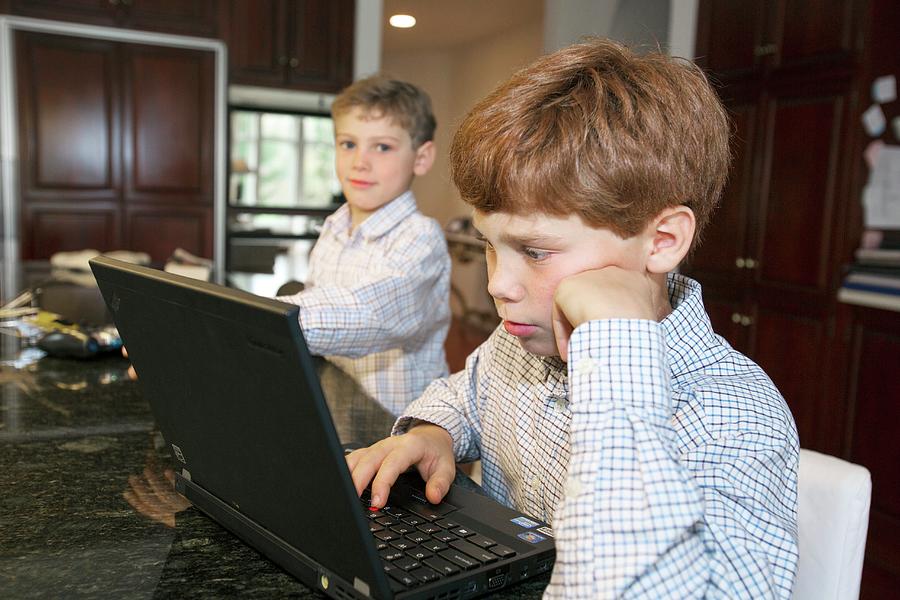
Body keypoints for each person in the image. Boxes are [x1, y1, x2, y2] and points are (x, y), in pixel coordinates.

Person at [346, 39, 799, 598]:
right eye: (489, 245)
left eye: (535, 252)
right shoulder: (524, 340)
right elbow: (466, 392)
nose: (497, 285)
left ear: (661, 241)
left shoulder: (735, 418)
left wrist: (618, 346)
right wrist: (433, 432)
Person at [277, 76, 451, 416]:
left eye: (382, 147)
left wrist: (263, 322)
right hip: (339, 405)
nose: (360, 161)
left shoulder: (421, 239)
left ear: (422, 157)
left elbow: (369, 314)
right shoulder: (334, 228)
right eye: (348, 144)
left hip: (399, 428)